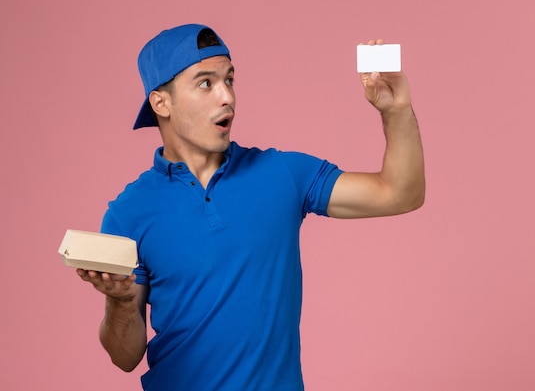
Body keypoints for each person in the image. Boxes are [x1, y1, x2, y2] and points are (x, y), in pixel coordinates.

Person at [77, 23, 425, 391]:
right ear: (161, 103)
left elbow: (400, 192)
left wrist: (396, 110)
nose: (227, 96)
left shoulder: (282, 174)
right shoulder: (128, 212)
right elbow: (125, 357)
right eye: (205, 83)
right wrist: (121, 302)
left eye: (230, 79)